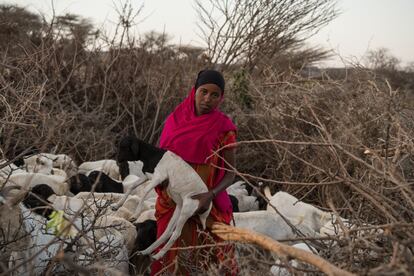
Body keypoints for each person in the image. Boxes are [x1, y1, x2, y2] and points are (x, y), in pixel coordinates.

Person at [151, 69, 238, 275]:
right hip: (172, 202)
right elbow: (159, 161)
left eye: (214, 95)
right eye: (203, 92)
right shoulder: (175, 120)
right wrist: (166, 188)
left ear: (221, 98)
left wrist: (210, 195)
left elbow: (231, 173)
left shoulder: (224, 128)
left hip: (206, 205)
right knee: (170, 260)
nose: (207, 99)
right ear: (194, 91)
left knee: (212, 260)